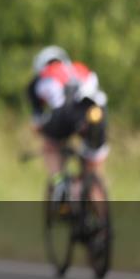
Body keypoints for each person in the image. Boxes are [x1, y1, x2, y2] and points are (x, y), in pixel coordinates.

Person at [27, 46, 109, 201]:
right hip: (97, 112)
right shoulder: (80, 68)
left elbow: (37, 123)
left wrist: (45, 133)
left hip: (64, 113)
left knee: (50, 146)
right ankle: (102, 220)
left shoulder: (41, 78)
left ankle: (60, 184)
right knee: (93, 170)